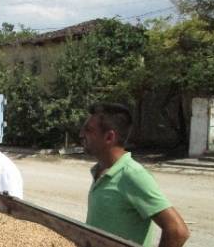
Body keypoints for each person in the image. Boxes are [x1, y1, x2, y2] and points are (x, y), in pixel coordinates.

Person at [80, 103, 189, 247]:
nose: (81, 134)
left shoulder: (132, 174)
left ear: (109, 137)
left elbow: (177, 231)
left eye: (88, 130)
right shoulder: (100, 171)